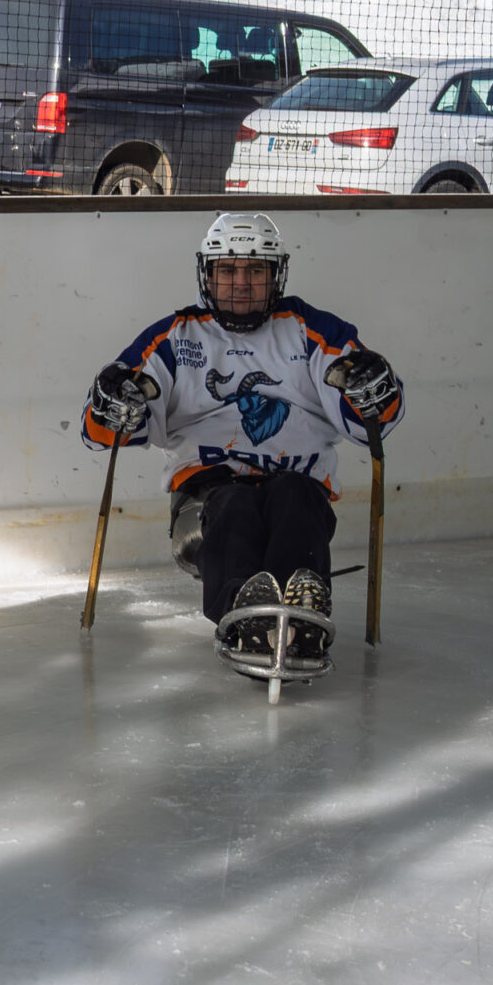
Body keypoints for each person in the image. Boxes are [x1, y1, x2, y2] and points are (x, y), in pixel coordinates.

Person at [80, 211, 403, 662]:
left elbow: (373, 421)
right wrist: (114, 402)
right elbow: (100, 433)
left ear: (276, 276)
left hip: (297, 482)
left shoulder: (313, 331)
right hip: (209, 495)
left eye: (255, 270)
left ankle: (303, 614)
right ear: (208, 275)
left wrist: (373, 389)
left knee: (296, 498)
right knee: (235, 505)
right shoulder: (175, 337)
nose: (241, 283)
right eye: (228, 270)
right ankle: (244, 615)